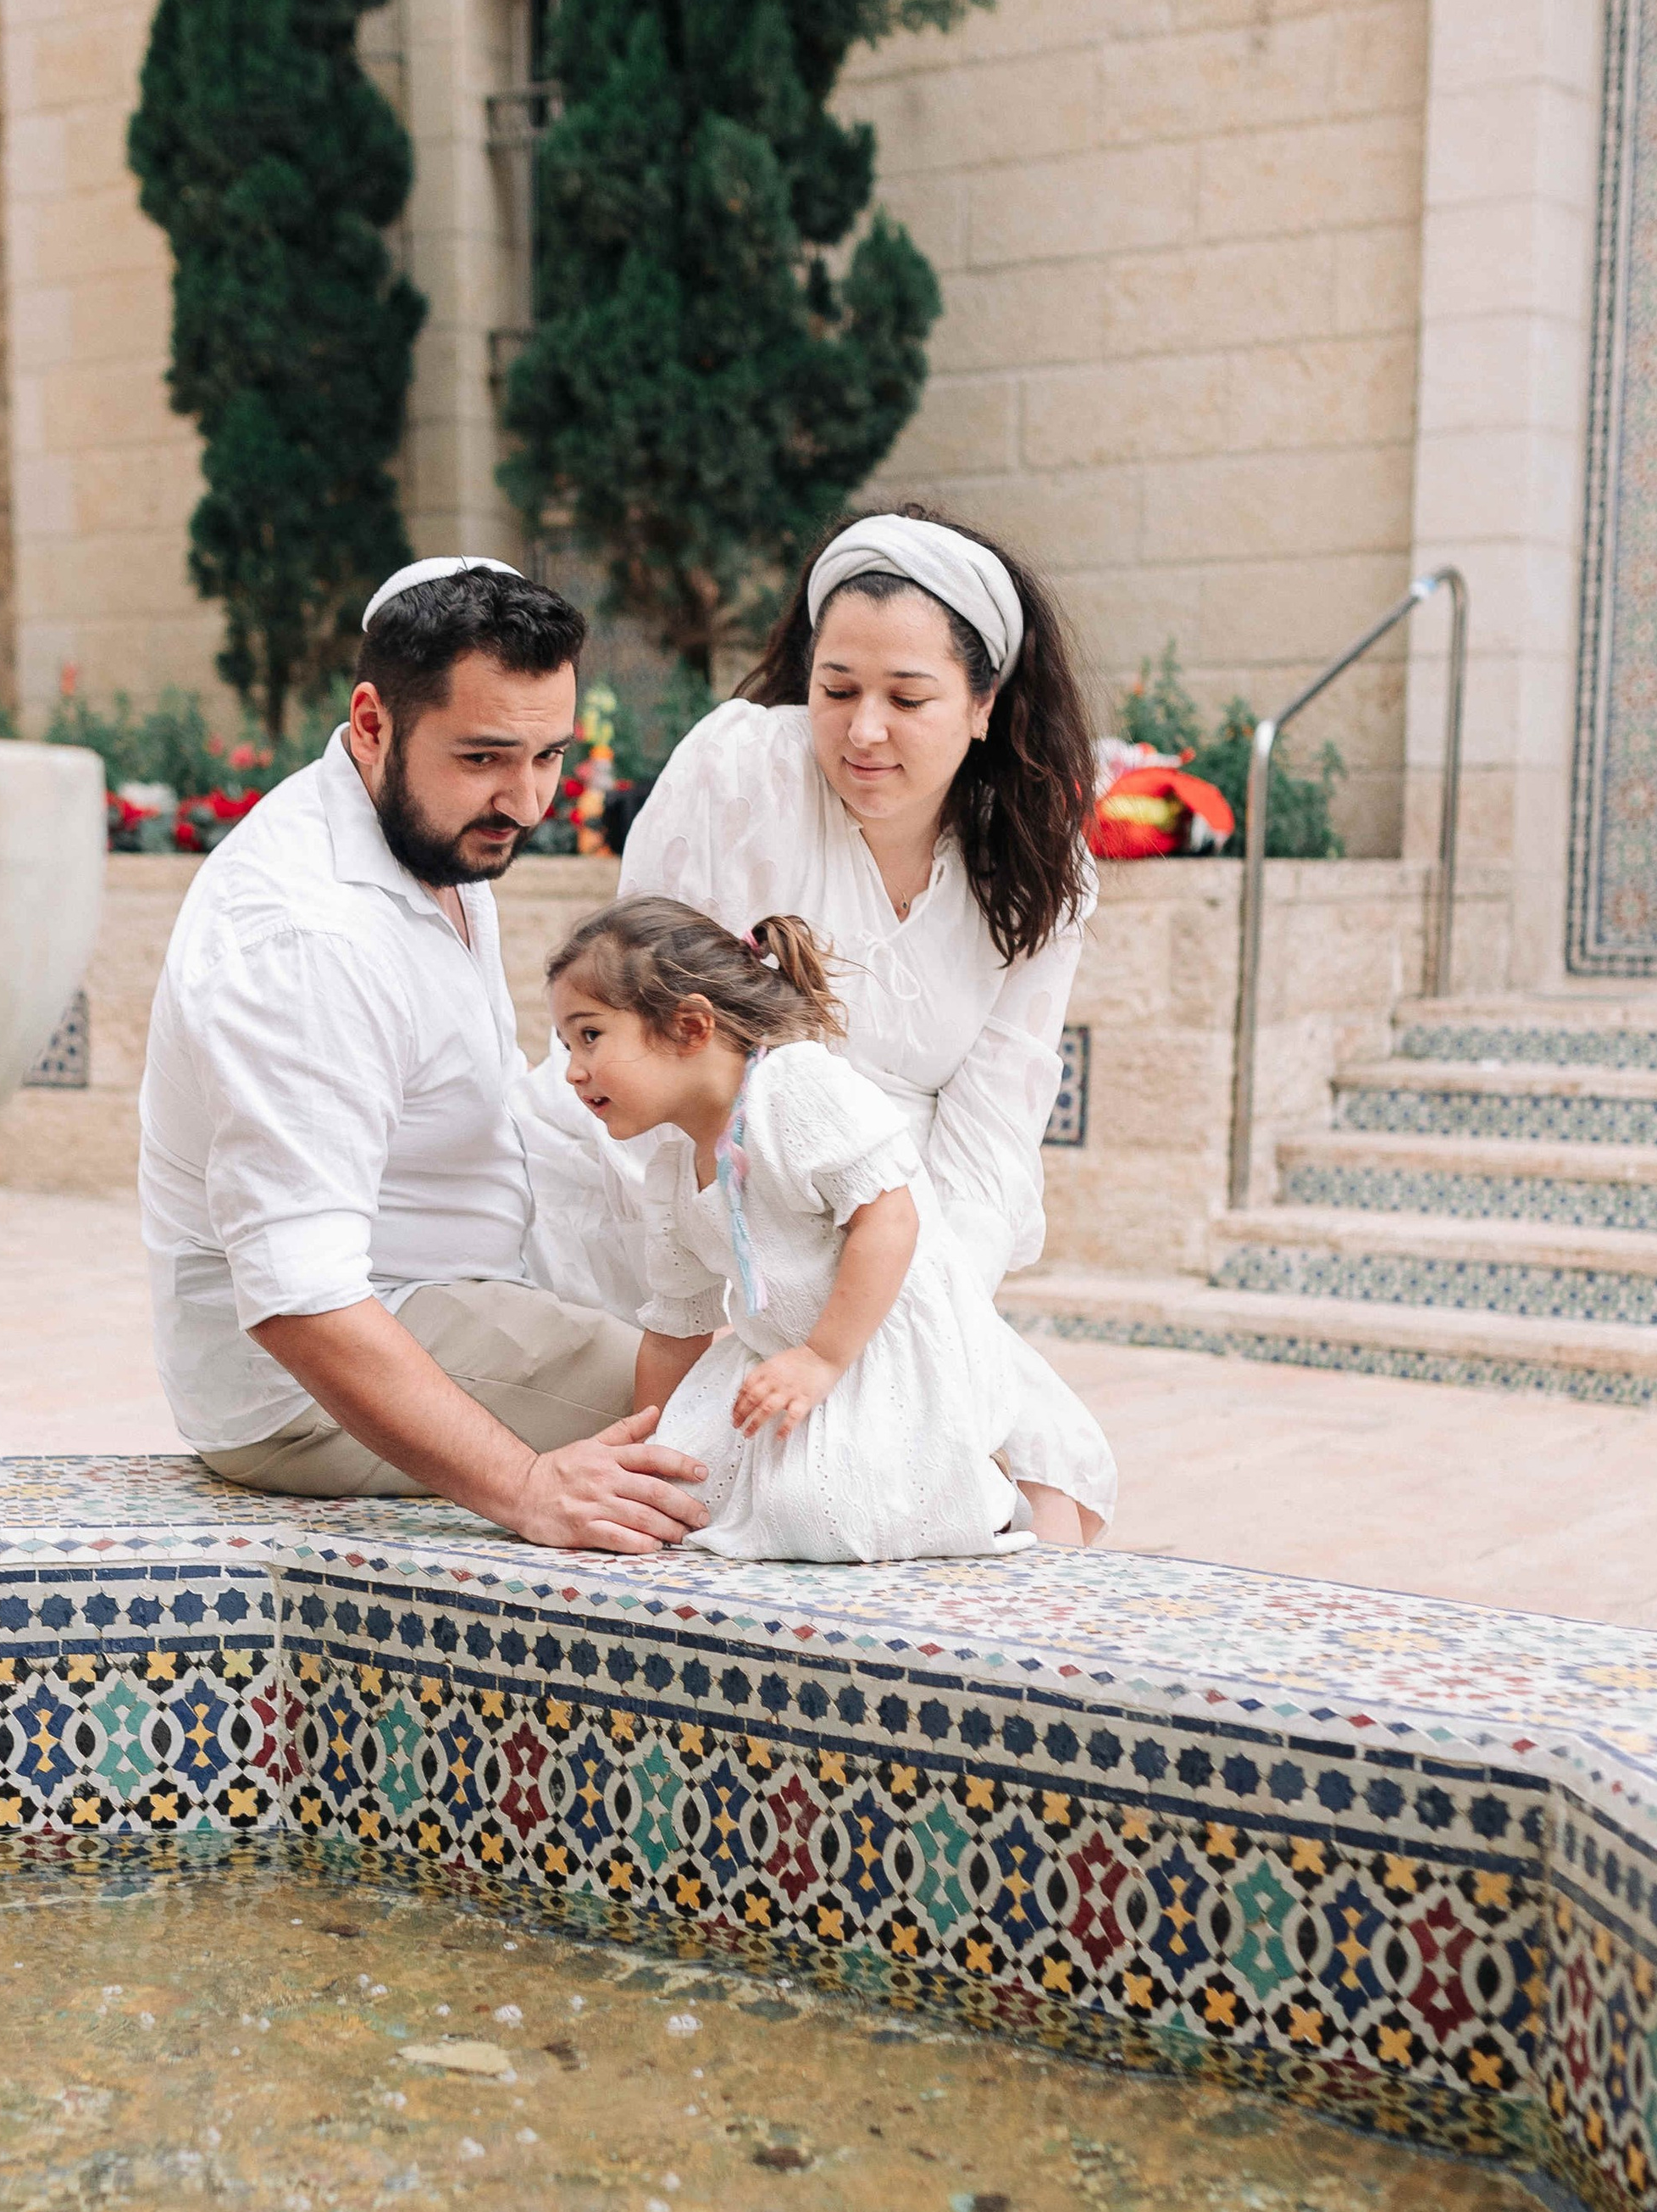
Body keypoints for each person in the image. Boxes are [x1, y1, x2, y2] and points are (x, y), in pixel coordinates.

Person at [137, 559, 709, 1554]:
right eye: (486, 756)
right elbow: (297, 1297)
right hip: (308, 1386)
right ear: (371, 721)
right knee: (730, 1416)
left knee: (805, 1342)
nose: (526, 801)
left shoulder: (427, 834)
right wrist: (529, 1489)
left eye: (548, 757)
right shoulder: (308, 940)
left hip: (456, 1292)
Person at [518, 504, 1097, 1321]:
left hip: (882, 1241)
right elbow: (641, 1042)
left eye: (907, 698)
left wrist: (920, 1319)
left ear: (982, 704)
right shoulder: (740, 773)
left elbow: (993, 1129)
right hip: (657, 1215)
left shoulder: (1037, 863)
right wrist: (751, 1294)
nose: (864, 730)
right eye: (837, 689)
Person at [546, 896, 1115, 1560]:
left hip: (873, 1341)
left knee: (818, 1512)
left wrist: (822, 1358)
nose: (572, 1069)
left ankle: (980, 1485)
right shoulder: (675, 1168)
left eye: (590, 1035)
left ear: (690, 1026)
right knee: (690, 1487)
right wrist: (646, 1454)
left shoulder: (793, 1089)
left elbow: (889, 1215)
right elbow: (677, 1329)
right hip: (785, 1356)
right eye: (566, 1044)